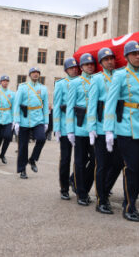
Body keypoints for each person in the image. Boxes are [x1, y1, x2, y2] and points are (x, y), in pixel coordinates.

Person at [105, 40, 139, 222]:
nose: (138, 56)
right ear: (127, 56)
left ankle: (131, 198)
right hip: (127, 128)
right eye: (134, 54)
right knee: (131, 168)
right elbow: (110, 103)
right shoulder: (120, 75)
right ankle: (129, 206)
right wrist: (109, 130)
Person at [87, 47, 121, 215]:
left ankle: (105, 190)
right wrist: (92, 128)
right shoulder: (97, 79)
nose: (110, 61)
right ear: (101, 63)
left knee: (118, 163)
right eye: (106, 59)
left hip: (118, 127)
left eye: (111, 59)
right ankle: (101, 200)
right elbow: (92, 105)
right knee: (102, 164)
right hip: (101, 128)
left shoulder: (119, 76)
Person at [66, 53, 97, 206]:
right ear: (82, 67)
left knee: (96, 159)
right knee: (79, 160)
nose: (90, 66)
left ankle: (80, 183)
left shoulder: (98, 80)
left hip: (95, 126)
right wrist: (70, 130)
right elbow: (70, 107)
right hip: (80, 126)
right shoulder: (76, 83)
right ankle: (81, 193)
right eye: (86, 64)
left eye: (92, 64)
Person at [13, 67, 49, 179]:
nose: (35, 75)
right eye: (33, 73)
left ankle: (32, 159)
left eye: (37, 73)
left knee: (42, 138)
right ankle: (22, 169)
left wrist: (46, 121)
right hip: (24, 119)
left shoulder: (43, 88)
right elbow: (16, 104)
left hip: (38, 119)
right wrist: (16, 121)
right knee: (23, 146)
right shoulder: (23, 87)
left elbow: (46, 106)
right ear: (29, 75)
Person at [53, 58, 79, 200]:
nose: (74, 69)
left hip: (80, 125)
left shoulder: (82, 82)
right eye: (71, 68)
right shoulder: (61, 84)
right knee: (65, 158)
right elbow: (57, 106)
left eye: (76, 67)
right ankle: (64, 187)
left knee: (83, 158)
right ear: (66, 70)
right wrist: (56, 128)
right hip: (64, 126)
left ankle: (73, 179)